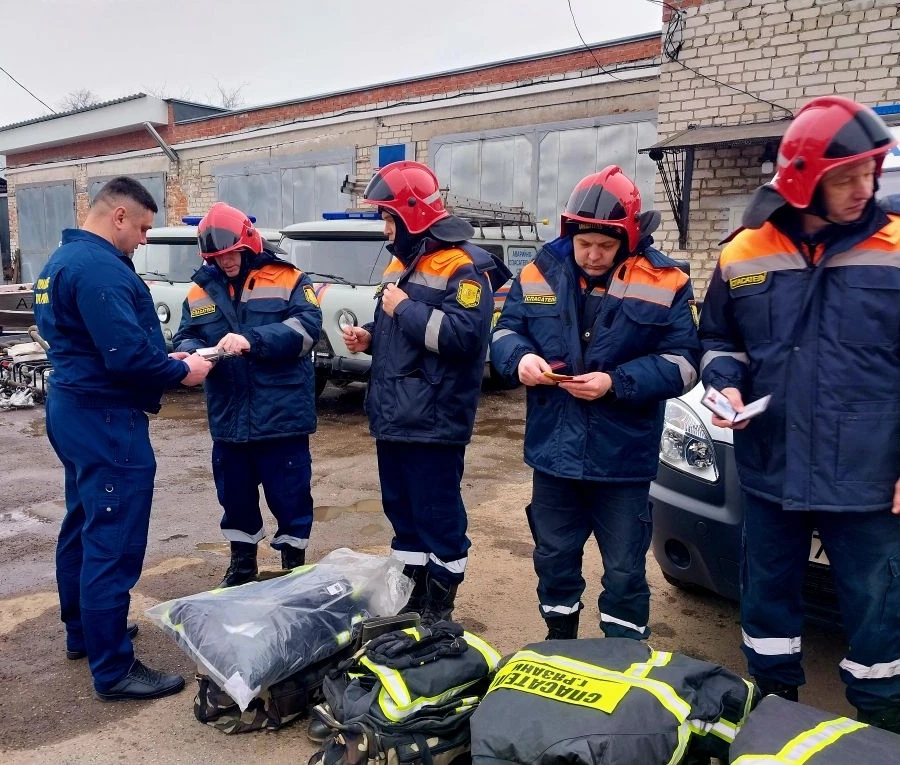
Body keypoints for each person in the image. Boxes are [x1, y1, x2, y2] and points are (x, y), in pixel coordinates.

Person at [698, 95, 900, 733]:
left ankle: (881, 728)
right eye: (846, 177)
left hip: (867, 475)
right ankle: (773, 711)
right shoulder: (742, 252)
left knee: (878, 609)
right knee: (766, 601)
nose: (862, 188)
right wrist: (725, 386)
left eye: (870, 173)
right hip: (772, 468)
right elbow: (718, 341)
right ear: (803, 181)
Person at [490, 165, 701, 642]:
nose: (593, 255)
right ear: (570, 232)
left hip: (622, 461)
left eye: (605, 246)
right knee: (554, 558)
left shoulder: (666, 280)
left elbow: (687, 362)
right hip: (555, 455)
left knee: (625, 569)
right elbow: (504, 330)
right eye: (585, 244)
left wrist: (615, 382)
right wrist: (518, 359)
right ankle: (559, 637)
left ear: (627, 236)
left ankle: (623, 655)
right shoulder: (538, 270)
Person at [34, 176, 214, 702]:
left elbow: (95, 345)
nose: (142, 239)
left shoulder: (60, 263)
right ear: (117, 217)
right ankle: (113, 669)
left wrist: (167, 360)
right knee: (111, 537)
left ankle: (85, 633)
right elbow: (126, 357)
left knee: (84, 522)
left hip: (74, 407)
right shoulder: (98, 270)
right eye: (141, 228)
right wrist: (183, 371)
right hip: (105, 418)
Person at [342, 160, 510, 625]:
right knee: (403, 512)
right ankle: (412, 599)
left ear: (412, 215)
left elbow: (462, 340)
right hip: (396, 415)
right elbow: (402, 331)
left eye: (387, 217)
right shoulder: (404, 262)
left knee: (438, 516)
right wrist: (373, 336)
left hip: (434, 420)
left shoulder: (464, 267)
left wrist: (404, 309)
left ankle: (439, 608)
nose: (384, 228)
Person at [173, 202, 322, 585]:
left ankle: (295, 565)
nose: (225, 263)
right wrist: (191, 352)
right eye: (217, 258)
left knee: (290, 496)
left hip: (281, 415)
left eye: (230, 254)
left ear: (248, 243)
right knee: (234, 497)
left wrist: (252, 340)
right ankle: (242, 565)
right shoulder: (199, 290)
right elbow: (186, 332)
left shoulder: (289, 278)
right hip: (229, 416)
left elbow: (307, 331)